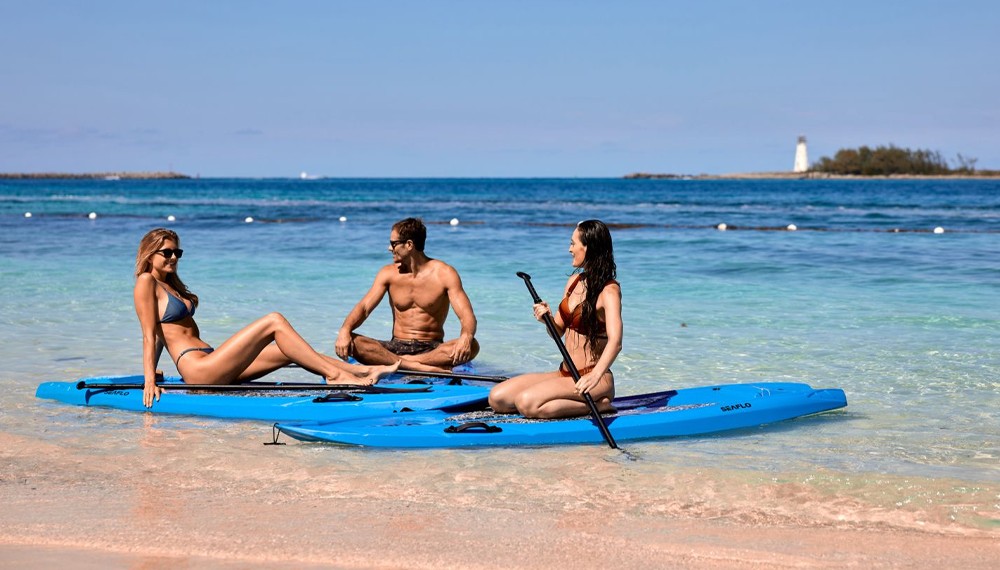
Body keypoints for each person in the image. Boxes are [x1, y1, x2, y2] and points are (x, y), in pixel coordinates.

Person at [134, 228, 398, 408]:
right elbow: (149, 334)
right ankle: (334, 375)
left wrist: (155, 371)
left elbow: (160, 336)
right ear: (150, 254)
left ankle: (358, 370)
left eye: (176, 253)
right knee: (274, 321)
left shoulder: (170, 285)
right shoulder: (147, 282)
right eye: (166, 252)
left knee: (285, 351)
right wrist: (149, 382)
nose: (173, 257)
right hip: (198, 371)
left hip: (211, 361)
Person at [488, 220, 622, 419]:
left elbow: (616, 342)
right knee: (497, 398)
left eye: (573, 243)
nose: (569, 249)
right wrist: (547, 319)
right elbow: (557, 332)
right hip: (565, 373)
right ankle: (586, 403)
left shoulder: (609, 291)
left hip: (594, 379)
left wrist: (594, 376)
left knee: (526, 403)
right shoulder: (574, 282)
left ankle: (600, 405)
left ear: (589, 248)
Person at [335, 217, 479, 373]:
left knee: (472, 345)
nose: (389, 248)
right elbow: (364, 308)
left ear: (409, 245)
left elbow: (466, 315)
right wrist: (345, 330)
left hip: (432, 349)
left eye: (393, 244)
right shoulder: (388, 273)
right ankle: (417, 367)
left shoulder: (444, 273)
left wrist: (466, 336)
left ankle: (405, 363)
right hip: (396, 346)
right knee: (354, 342)